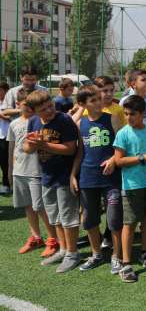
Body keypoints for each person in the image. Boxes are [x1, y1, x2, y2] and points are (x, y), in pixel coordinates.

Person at [24, 90, 80, 273]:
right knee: (54, 216)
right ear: (34, 111)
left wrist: (43, 145)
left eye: (50, 105)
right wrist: (32, 144)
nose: (49, 110)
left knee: (68, 217)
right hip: (47, 176)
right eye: (44, 109)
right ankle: (63, 249)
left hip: (65, 176)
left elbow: (71, 149)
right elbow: (26, 148)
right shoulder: (33, 122)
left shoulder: (63, 120)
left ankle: (73, 253)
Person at [69, 85, 123, 274]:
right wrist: (73, 175)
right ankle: (96, 253)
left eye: (99, 99)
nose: (99, 103)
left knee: (114, 218)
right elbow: (79, 153)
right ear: (82, 104)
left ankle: (117, 256)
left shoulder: (112, 119)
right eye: (93, 100)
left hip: (111, 178)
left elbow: (122, 146)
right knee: (90, 219)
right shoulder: (80, 124)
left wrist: (113, 160)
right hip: (88, 177)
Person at [113, 95, 146, 283]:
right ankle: (126, 263)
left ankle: (145, 251)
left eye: (132, 114)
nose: (128, 117)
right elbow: (118, 161)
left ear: (143, 114)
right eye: (126, 114)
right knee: (130, 223)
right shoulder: (123, 133)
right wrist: (144, 157)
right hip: (132, 186)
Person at [8, 90, 58, 257]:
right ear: (18, 105)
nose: (28, 108)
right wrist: (11, 169)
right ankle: (36, 237)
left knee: (40, 207)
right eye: (25, 105)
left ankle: (53, 239)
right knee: (28, 206)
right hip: (19, 171)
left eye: (31, 106)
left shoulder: (39, 122)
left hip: (36, 171)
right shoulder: (14, 124)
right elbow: (13, 148)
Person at [0, 81, 11, 194]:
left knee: (5, 162)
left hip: (6, 136)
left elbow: (10, 118)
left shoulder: (9, 103)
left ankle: (7, 184)